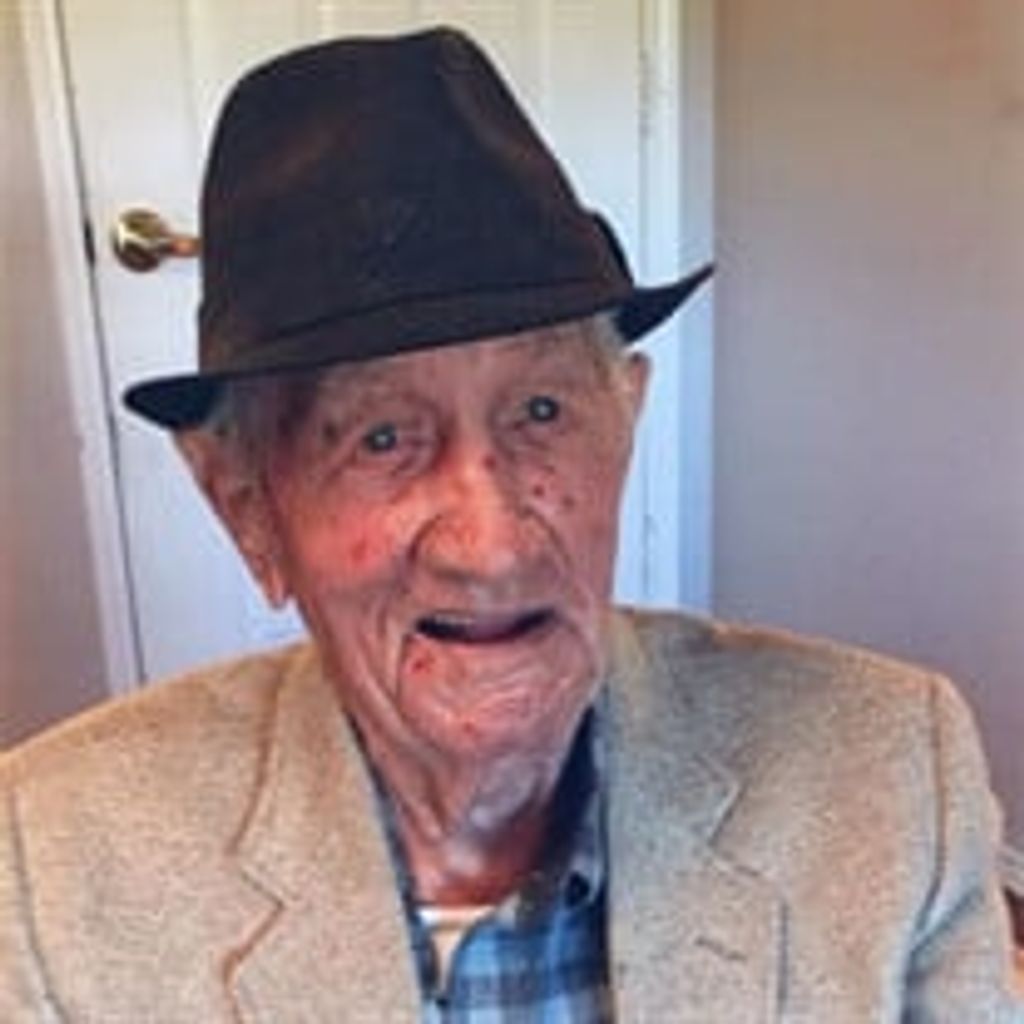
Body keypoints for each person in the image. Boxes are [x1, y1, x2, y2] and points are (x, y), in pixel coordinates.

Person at [1, 27, 1020, 1023]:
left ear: (624, 421)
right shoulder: (51, 867)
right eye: (383, 437)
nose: (492, 545)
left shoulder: (891, 772)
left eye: (541, 411)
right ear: (246, 509)